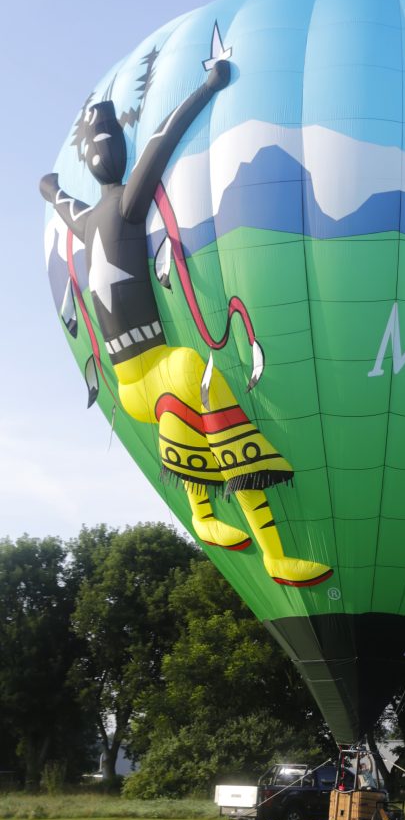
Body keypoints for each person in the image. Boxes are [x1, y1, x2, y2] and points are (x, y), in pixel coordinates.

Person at [41, 58, 331, 587]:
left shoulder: (117, 208)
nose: (105, 150)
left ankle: (205, 515)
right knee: (194, 371)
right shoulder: (106, 214)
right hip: (137, 377)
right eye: (97, 144)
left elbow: (160, 141)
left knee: (186, 390)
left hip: (139, 380)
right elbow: (155, 143)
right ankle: (270, 550)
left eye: (109, 140)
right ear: (93, 157)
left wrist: (204, 88)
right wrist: (207, 86)